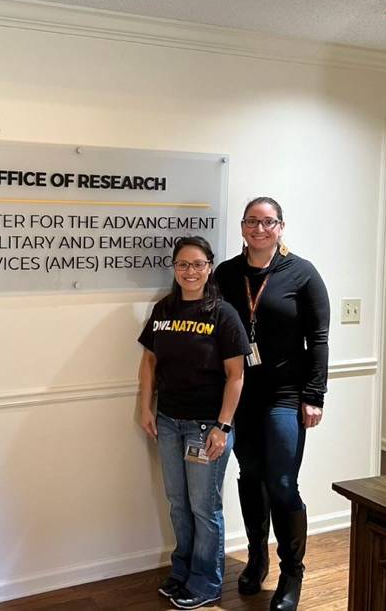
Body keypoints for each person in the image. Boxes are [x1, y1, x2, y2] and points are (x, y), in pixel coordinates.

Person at [213, 197, 329, 611]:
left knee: (282, 483)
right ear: (242, 227)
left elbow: (317, 339)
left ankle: (291, 573)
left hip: (285, 394)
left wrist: (314, 396)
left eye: (267, 222)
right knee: (250, 476)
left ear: (281, 226)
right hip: (242, 394)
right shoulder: (226, 273)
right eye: (251, 222)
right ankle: (257, 557)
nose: (258, 229)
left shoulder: (302, 273)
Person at [138, 236, 249, 610]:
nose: (190, 271)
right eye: (183, 265)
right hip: (169, 422)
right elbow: (150, 362)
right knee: (177, 503)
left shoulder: (223, 314)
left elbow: (236, 375)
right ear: (174, 268)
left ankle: (207, 581)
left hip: (206, 427)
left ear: (209, 268)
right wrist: (145, 407)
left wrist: (223, 426)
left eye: (198, 264)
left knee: (204, 507)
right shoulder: (163, 309)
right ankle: (182, 570)